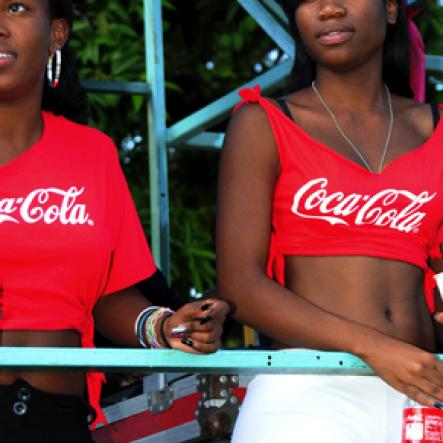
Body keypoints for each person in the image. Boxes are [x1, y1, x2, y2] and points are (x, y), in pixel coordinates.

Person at [0, 1, 228, 442]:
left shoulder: (92, 154)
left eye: (17, 7)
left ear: (56, 33)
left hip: (57, 418)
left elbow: (108, 294)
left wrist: (165, 327)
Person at [216, 1, 443, 442]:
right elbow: (240, 284)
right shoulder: (263, 123)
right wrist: (373, 347)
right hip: (306, 393)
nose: (329, 9)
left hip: (422, 392)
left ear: (391, 10)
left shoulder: (435, 129)